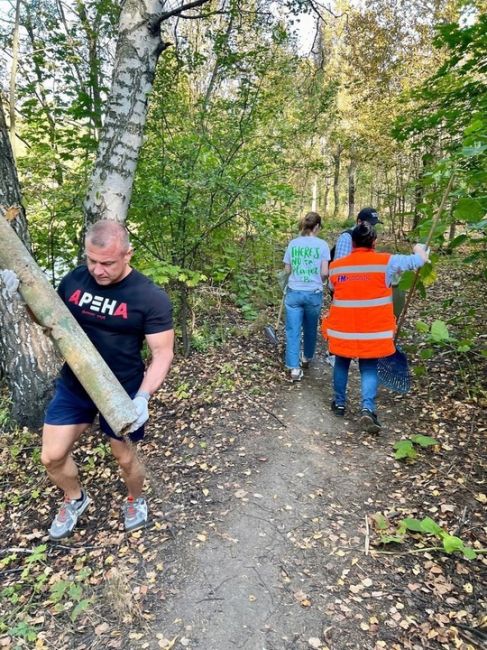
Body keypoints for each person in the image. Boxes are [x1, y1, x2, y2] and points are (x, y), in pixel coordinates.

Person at [40, 220, 174, 539]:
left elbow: (163, 354)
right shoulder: (74, 280)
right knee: (51, 456)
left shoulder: (149, 297)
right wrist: (19, 292)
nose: (98, 270)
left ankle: (135, 499)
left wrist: (142, 396)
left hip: (122, 391)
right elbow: (50, 318)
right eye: (92, 260)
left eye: (108, 263)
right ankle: (74, 498)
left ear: (128, 254)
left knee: (125, 458)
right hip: (76, 384)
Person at [322, 222, 429, 433]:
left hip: (343, 328)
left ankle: (340, 404)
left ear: (352, 243)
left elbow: (333, 288)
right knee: (368, 367)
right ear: (374, 242)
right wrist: (419, 248)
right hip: (372, 330)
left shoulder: (337, 266)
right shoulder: (386, 262)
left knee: (341, 363)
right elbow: (419, 260)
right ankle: (367, 409)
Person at [283, 211, 330, 381]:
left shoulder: (293, 244)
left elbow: (287, 270)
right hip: (313, 293)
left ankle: (293, 369)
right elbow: (325, 272)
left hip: (294, 292)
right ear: (316, 226)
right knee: (310, 327)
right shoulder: (323, 245)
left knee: (292, 330)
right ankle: (306, 357)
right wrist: (319, 279)